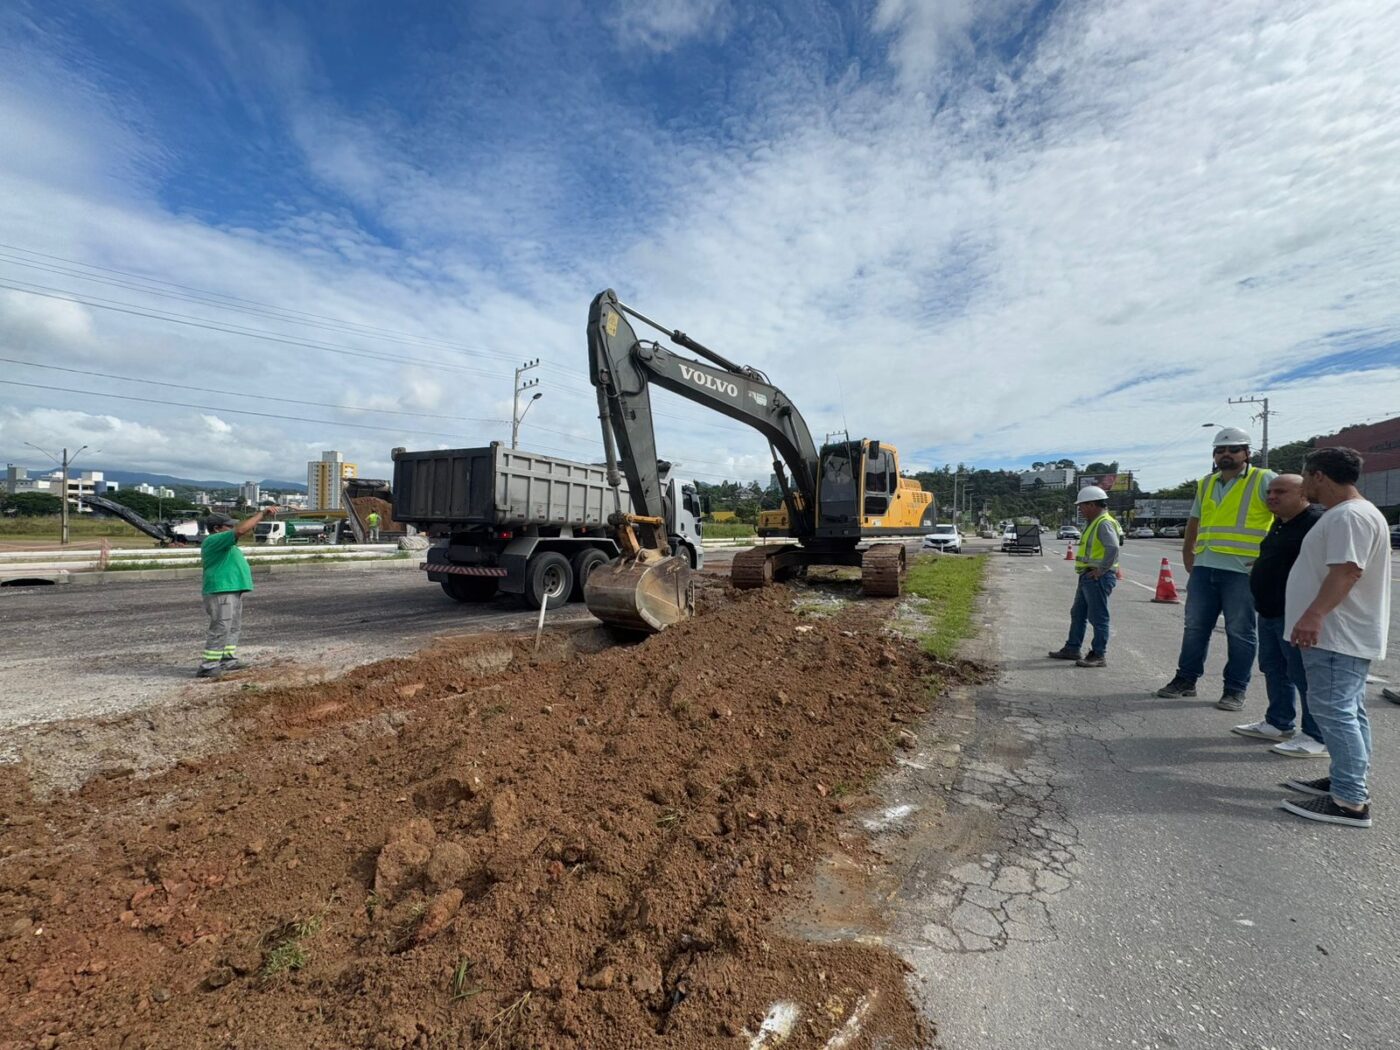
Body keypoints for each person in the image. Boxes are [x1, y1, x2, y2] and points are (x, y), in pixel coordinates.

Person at [1279, 447, 1391, 828]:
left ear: (1319, 476)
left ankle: (1349, 801)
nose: (1304, 483)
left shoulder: (1350, 516)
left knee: (1336, 712)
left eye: (1306, 476)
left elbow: (1346, 571)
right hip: (1340, 633)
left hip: (1335, 633)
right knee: (1349, 711)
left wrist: (1314, 615)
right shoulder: (1350, 514)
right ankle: (1346, 781)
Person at [1156, 427, 1276, 710]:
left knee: (1240, 631)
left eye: (1233, 449)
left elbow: (1285, 515)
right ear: (1214, 455)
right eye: (1220, 450)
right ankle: (1186, 680)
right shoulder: (1207, 483)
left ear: (1247, 453)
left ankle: (1235, 690)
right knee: (1195, 627)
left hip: (1242, 571)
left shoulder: (1264, 479)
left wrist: (1269, 558)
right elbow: (1195, 521)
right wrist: (1188, 552)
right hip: (1205, 566)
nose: (1226, 454)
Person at [1229, 475, 1327, 756]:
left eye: (1281, 491)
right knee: (1274, 668)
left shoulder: (1315, 522)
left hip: (1295, 613)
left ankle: (1315, 734)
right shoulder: (1280, 523)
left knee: (1303, 674)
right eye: (1270, 491)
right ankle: (1278, 722)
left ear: (1303, 494)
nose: (1271, 496)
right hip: (1270, 610)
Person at [197, 506, 276, 679]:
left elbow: (242, 529)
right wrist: (262, 514)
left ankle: (227, 659)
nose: (231, 529)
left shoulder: (225, 543)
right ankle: (208, 665)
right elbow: (241, 530)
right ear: (217, 528)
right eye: (227, 526)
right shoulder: (215, 540)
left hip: (231, 590)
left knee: (232, 627)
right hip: (221, 591)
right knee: (221, 626)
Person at [1047, 485, 1122, 668]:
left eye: (1082, 506)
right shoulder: (1096, 522)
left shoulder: (1103, 522)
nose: (1080, 510)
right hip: (1088, 576)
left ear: (1091, 504)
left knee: (1098, 617)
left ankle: (1098, 654)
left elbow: (1113, 548)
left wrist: (1102, 570)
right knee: (1078, 613)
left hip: (1097, 577)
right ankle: (1072, 648)